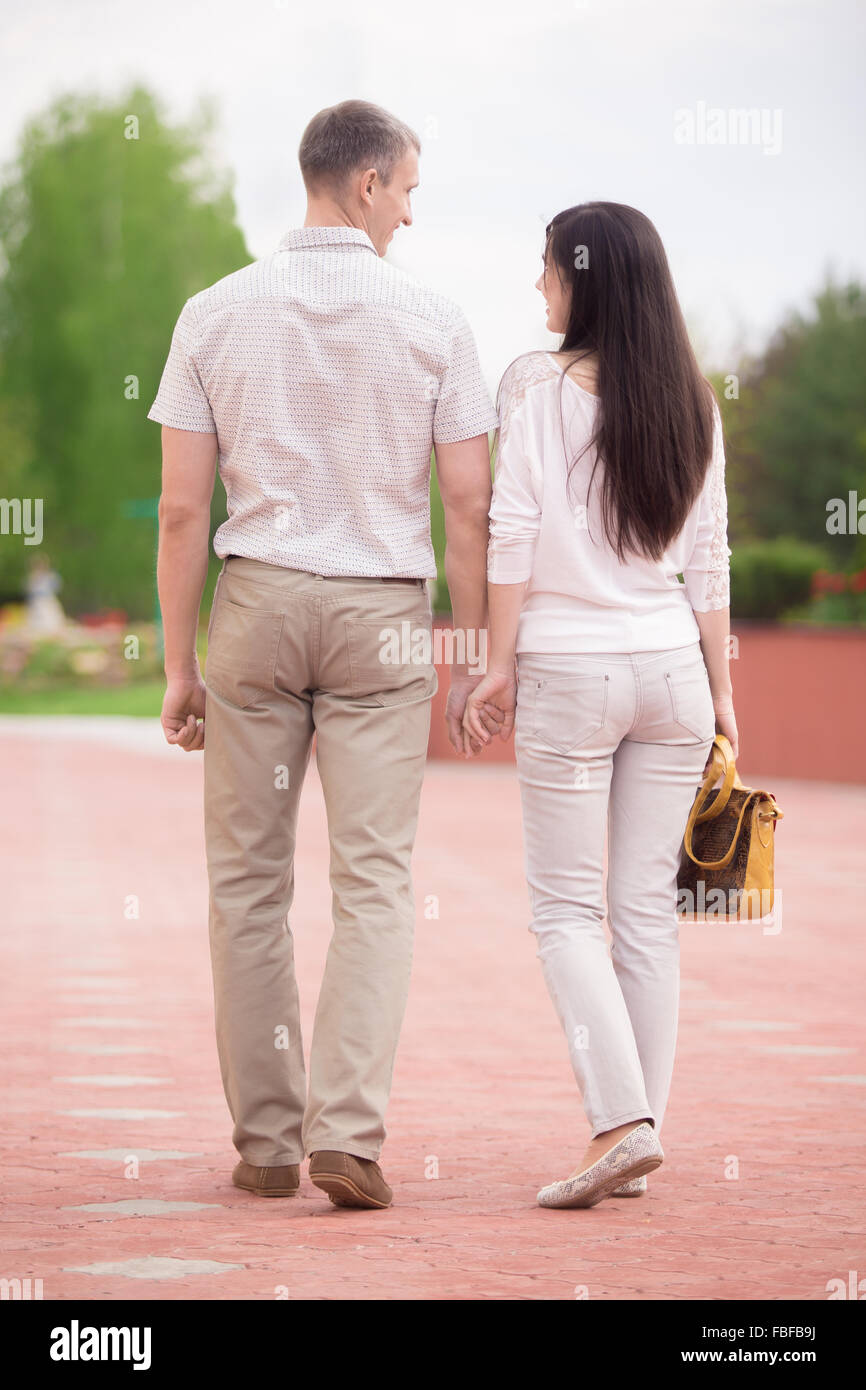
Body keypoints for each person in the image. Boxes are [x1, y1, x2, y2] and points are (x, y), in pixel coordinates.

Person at [148, 100, 498, 1209]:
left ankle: (264, 1140)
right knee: (374, 881)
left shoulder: (212, 313)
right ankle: (347, 1131)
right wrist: (473, 646)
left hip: (254, 602)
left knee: (247, 881)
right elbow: (468, 501)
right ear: (363, 182)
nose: (407, 211)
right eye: (404, 190)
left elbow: (177, 510)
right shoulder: (435, 319)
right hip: (383, 609)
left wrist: (177, 666)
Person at [463, 201, 736, 1209]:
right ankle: (639, 1132)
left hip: (572, 675)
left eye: (545, 268)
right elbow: (707, 561)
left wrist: (494, 665)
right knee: (643, 919)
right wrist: (724, 695)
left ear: (589, 278)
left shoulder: (536, 390)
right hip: (671, 673)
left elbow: (509, 534)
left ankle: (620, 1123)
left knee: (566, 913)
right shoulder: (691, 399)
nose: (537, 285)